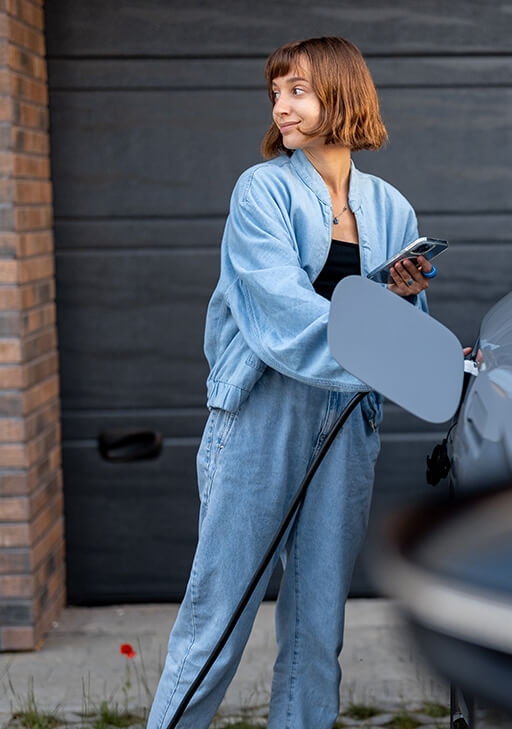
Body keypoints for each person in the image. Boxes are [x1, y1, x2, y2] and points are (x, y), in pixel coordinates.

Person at [147, 37, 434, 729]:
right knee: (218, 615)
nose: (281, 104)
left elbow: (408, 322)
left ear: (341, 93)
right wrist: (395, 355)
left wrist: (403, 300)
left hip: (344, 423)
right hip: (262, 414)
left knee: (317, 625)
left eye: (297, 89)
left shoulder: (391, 207)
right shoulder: (262, 190)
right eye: (276, 91)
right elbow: (283, 315)